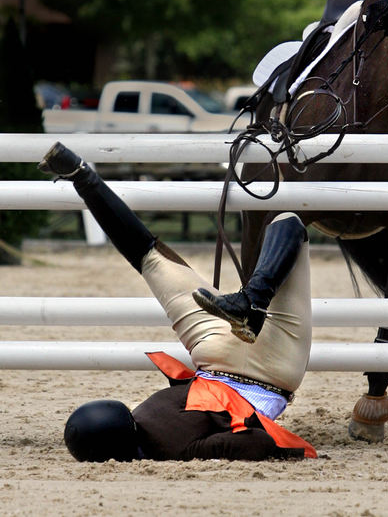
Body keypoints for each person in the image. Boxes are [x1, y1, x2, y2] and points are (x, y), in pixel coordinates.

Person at [38, 142, 316, 462]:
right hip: (212, 349)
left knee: (292, 222)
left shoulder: (173, 450)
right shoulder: (143, 414)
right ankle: (81, 175)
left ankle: (253, 301)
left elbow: (257, 443)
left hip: (273, 368)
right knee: (148, 257)